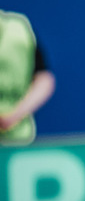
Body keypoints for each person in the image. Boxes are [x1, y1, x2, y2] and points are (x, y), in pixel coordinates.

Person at [0, 9, 55, 146]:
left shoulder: (19, 29)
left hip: (18, 141)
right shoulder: (19, 27)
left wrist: (13, 116)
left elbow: (44, 79)